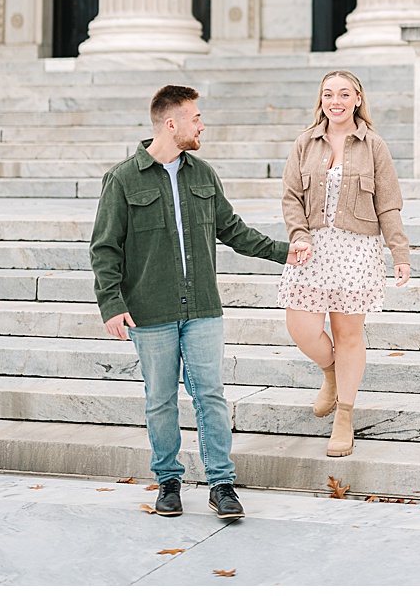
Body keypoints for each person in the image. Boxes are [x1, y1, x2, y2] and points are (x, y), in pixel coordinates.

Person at [90, 84, 303, 519]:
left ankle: (221, 485)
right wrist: (111, 303)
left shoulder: (203, 174)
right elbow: (105, 248)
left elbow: (233, 230)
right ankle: (168, 481)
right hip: (150, 310)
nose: (202, 125)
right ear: (172, 124)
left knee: (211, 394)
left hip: (203, 306)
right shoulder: (122, 179)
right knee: (161, 398)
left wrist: (285, 252)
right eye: (196, 118)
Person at [278, 70, 412, 457]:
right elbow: (290, 197)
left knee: (349, 335)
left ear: (357, 99)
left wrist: (398, 252)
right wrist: (298, 234)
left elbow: (388, 203)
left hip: (357, 250)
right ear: (321, 100)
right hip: (311, 249)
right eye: (328, 94)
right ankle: (332, 373)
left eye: (343, 94)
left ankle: (345, 416)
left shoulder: (374, 146)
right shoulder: (305, 143)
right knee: (301, 327)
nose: (335, 101)